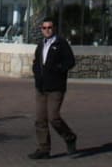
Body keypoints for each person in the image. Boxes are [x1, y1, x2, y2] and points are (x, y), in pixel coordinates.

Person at [30, 17, 77, 160]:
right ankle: (43, 149)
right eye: (44, 28)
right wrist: (37, 73)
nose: (47, 30)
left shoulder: (61, 43)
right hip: (41, 87)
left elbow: (70, 61)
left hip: (56, 87)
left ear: (54, 28)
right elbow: (36, 62)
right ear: (41, 30)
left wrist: (58, 69)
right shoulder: (41, 45)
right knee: (40, 119)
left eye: (49, 27)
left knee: (53, 117)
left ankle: (69, 137)